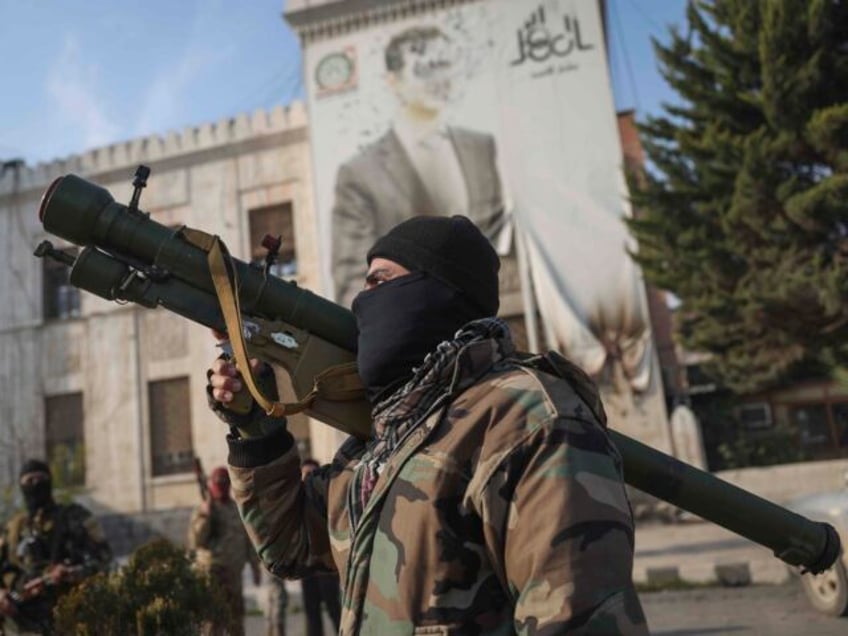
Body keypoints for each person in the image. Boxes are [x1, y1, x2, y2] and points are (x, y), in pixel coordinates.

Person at [207, 215, 648, 634]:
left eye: (380, 281)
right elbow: (292, 546)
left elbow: (578, 620)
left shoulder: (527, 420)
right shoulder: (386, 438)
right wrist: (255, 427)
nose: (363, 302)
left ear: (439, 293)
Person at [331, 25, 508, 307]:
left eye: (443, 66)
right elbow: (353, 286)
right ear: (393, 81)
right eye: (424, 69)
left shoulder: (480, 148)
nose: (438, 79)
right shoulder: (360, 174)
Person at [0, 459, 112, 634]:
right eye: (30, 480)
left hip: (69, 618)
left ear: (50, 481)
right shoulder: (12, 529)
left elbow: (104, 559)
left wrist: (70, 573)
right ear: (21, 486)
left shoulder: (74, 518)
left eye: (41, 478)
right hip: (21, 624)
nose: (36, 484)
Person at [188, 466, 262, 636]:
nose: (221, 486)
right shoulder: (203, 510)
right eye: (218, 482)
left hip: (234, 576)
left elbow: (248, 539)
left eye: (224, 482)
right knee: (212, 624)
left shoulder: (237, 509)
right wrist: (205, 516)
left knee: (236, 622)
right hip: (211, 575)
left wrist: (255, 566)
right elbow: (195, 541)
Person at [298, 459, 341, 636]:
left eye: (313, 474)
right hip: (307, 569)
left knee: (335, 612)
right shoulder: (298, 504)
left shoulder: (328, 501)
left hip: (328, 569)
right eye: (305, 474)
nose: (309, 479)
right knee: (312, 614)